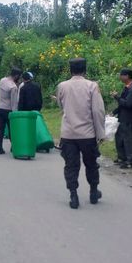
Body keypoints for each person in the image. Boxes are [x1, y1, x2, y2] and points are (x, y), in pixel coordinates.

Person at [56, 58, 106, 209]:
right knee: (91, 164)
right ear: (85, 70)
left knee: (71, 165)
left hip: (68, 134)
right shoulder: (92, 86)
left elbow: (61, 105)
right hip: (87, 134)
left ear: (70, 70)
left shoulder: (62, 86)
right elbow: (98, 111)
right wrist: (100, 133)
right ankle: (93, 191)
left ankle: (73, 195)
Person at [110, 68, 132, 169]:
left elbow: (128, 104)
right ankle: (122, 158)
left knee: (129, 139)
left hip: (130, 118)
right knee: (119, 137)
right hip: (123, 117)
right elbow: (122, 104)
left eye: (121, 75)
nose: (120, 77)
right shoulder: (127, 88)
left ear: (127, 76)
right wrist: (114, 112)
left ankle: (130, 161)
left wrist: (116, 97)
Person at [0, 67, 22, 154]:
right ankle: (14, 147)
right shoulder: (13, 87)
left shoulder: (2, 80)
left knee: (0, 129)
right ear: (16, 76)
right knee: (12, 129)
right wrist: (15, 114)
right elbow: (14, 102)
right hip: (8, 110)